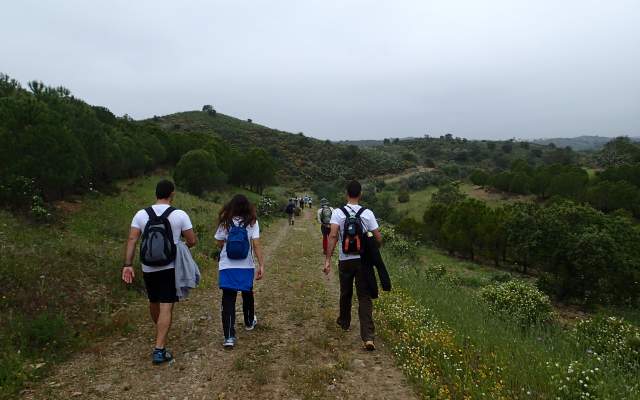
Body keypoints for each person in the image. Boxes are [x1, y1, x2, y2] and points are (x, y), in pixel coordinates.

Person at [122, 180, 197, 364]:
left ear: (156, 194)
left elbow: (132, 239)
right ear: (172, 193)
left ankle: (160, 334)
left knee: (153, 301)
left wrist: (128, 264)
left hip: (148, 266)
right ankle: (159, 348)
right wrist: (181, 247)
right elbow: (192, 240)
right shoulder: (179, 214)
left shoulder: (141, 214)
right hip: (170, 267)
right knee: (166, 305)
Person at [323, 180, 382, 351]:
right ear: (360, 193)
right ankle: (368, 337)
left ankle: (344, 323)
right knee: (364, 296)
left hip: (345, 259)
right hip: (363, 261)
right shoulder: (368, 213)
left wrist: (327, 259)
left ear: (346, 193)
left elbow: (333, 236)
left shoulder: (338, 213)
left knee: (346, 292)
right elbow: (378, 238)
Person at [215, 194, 265, 348]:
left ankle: (229, 336)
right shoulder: (252, 222)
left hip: (227, 265)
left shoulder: (225, 222)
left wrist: (226, 245)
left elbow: (218, 241)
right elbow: (256, 245)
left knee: (228, 298)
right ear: (247, 206)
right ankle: (249, 322)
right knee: (247, 293)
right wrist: (261, 265)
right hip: (246, 265)